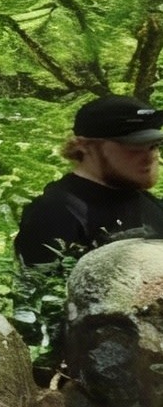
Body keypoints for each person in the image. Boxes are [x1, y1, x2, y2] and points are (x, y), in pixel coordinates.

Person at [15, 95, 163, 274]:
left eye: (153, 146)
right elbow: (41, 294)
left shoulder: (146, 202)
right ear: (84, 146)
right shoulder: (54, 213)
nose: (150, 157)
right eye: (134, 147)